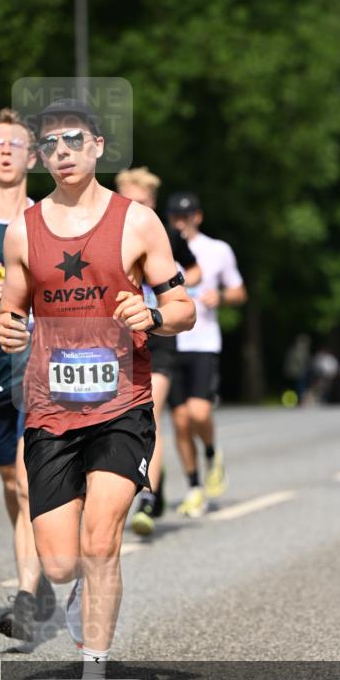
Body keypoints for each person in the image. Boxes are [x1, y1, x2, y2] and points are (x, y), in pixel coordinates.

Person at [0, 98, 195, 677]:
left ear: (98, 147)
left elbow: (183, 308)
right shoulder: (23, 232)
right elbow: (13, 310)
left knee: (102, 539)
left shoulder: (137, 221)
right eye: (51, 144)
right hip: (51, 410)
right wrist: (9, 327)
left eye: (74, 140)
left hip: (122, 404)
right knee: (61, 563)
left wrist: (153, 316)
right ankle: (81, 584)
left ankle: (95, 672)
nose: (62, 152)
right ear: (41, 156)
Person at [0, 107, 55, 642]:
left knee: (29, 485)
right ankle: (40, 560)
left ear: (32, 158)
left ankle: (27, 598)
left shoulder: (49, 220)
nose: (6, 150)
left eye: (16, 144)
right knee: (12, 483)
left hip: (39, 369)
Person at [115, 167, 201, 536]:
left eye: (140, 202)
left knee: (150, 412)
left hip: (159, 333)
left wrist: (168, 288)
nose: (132, 208)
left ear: (152, 203)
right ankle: (153, 481)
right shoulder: (105, 235)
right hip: (118, 337)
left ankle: (147, 500)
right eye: (126, 200)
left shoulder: (164, 235)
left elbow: (195, 272)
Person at [165, 192, 247, 518]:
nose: (180, 222)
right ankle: (194, 486)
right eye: (175, 217)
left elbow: (240, 291)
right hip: (170, 342)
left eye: (186, 217)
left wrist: (222, 297)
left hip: (203, 342)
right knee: (180, 421)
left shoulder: (217, 250)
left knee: (199, 413)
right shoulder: (161, 248)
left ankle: (212, 454)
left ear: (197, 217)